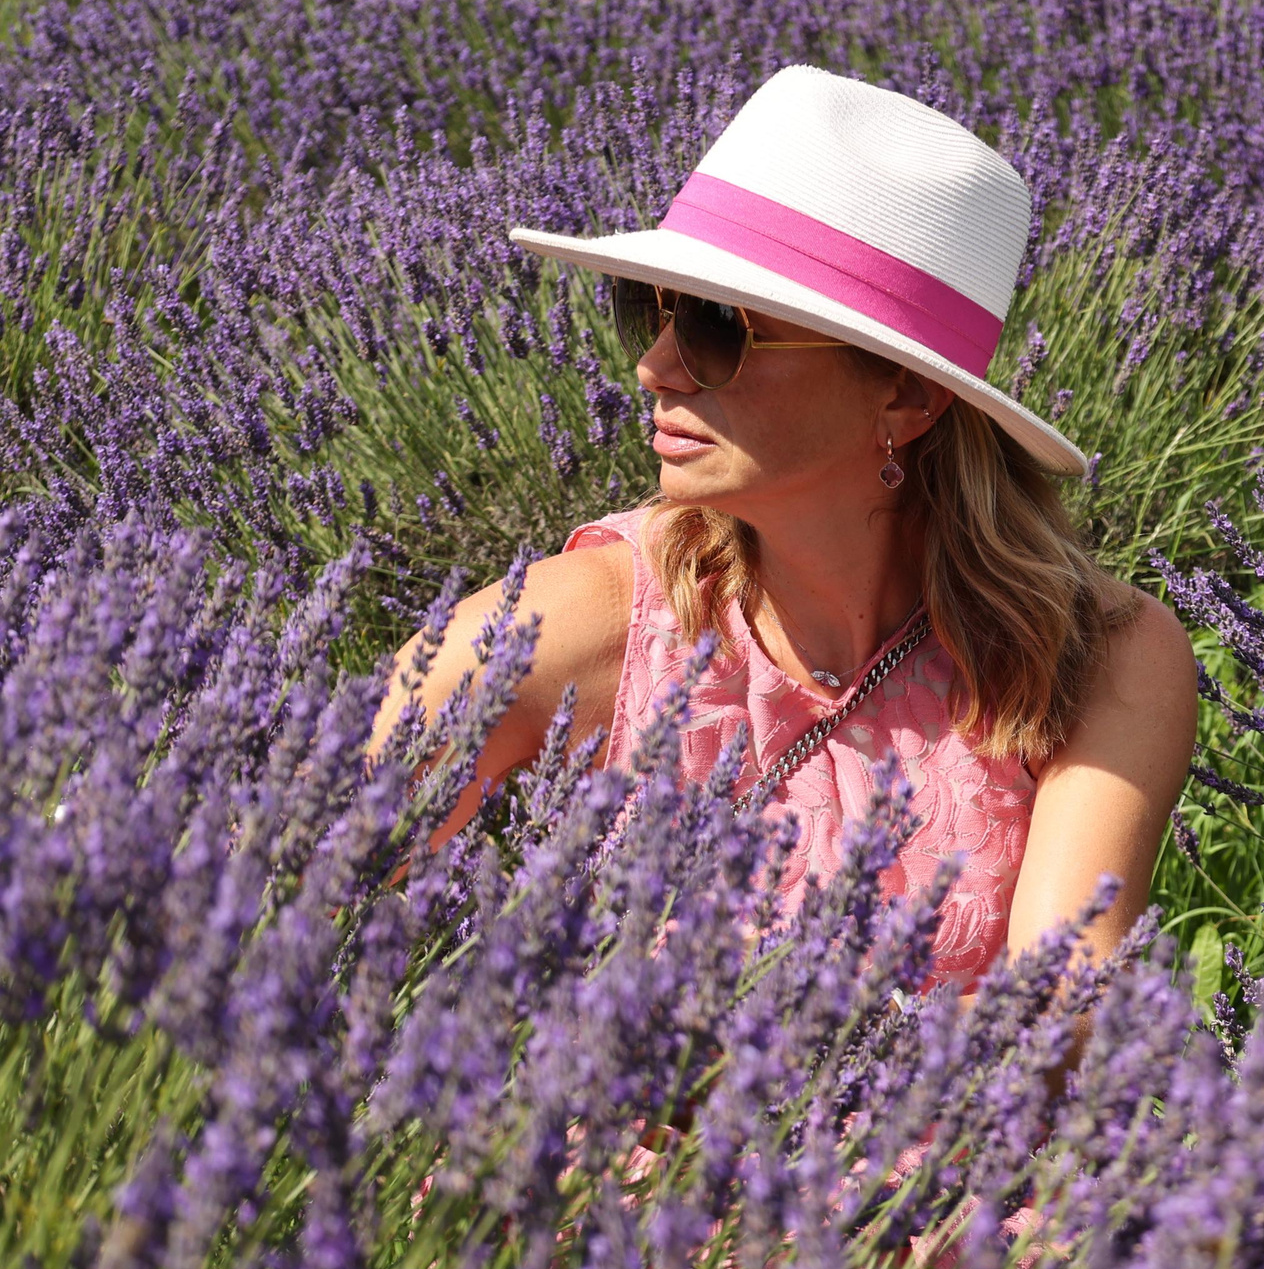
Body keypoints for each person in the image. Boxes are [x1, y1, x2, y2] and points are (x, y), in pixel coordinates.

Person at [368, 64, 1198, 1002]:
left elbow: (1064, 1019)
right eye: (653, 309)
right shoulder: (587, 623)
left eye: (719, 327)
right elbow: (295, 884)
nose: (653, 367)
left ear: (907, 394)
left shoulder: (1099, 656)